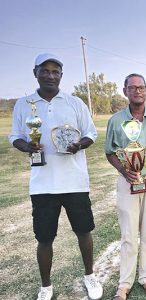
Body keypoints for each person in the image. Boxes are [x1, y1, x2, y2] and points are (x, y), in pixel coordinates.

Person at [8, 53, 103, 300]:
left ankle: (90, 276)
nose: (50, 75)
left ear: (61, 75)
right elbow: (15, 136)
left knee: (84, 231)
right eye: (45, 70)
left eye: (55, 71)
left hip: (74, 181)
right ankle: (46, 286)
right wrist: (26, 146)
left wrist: (79, 144)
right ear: (35, 72)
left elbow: (91, 133)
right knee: (44, 238)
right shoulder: (24, 104)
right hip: (43, 185)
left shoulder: (75, 102)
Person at [105, 74, 146, 300]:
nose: (137, 91)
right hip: (127, 185)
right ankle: (124, 284)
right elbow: (110, 151)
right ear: (125, 91)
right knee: (128, 234)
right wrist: (124, 171)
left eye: (141, 87)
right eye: (132, 88)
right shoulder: (116, 120)